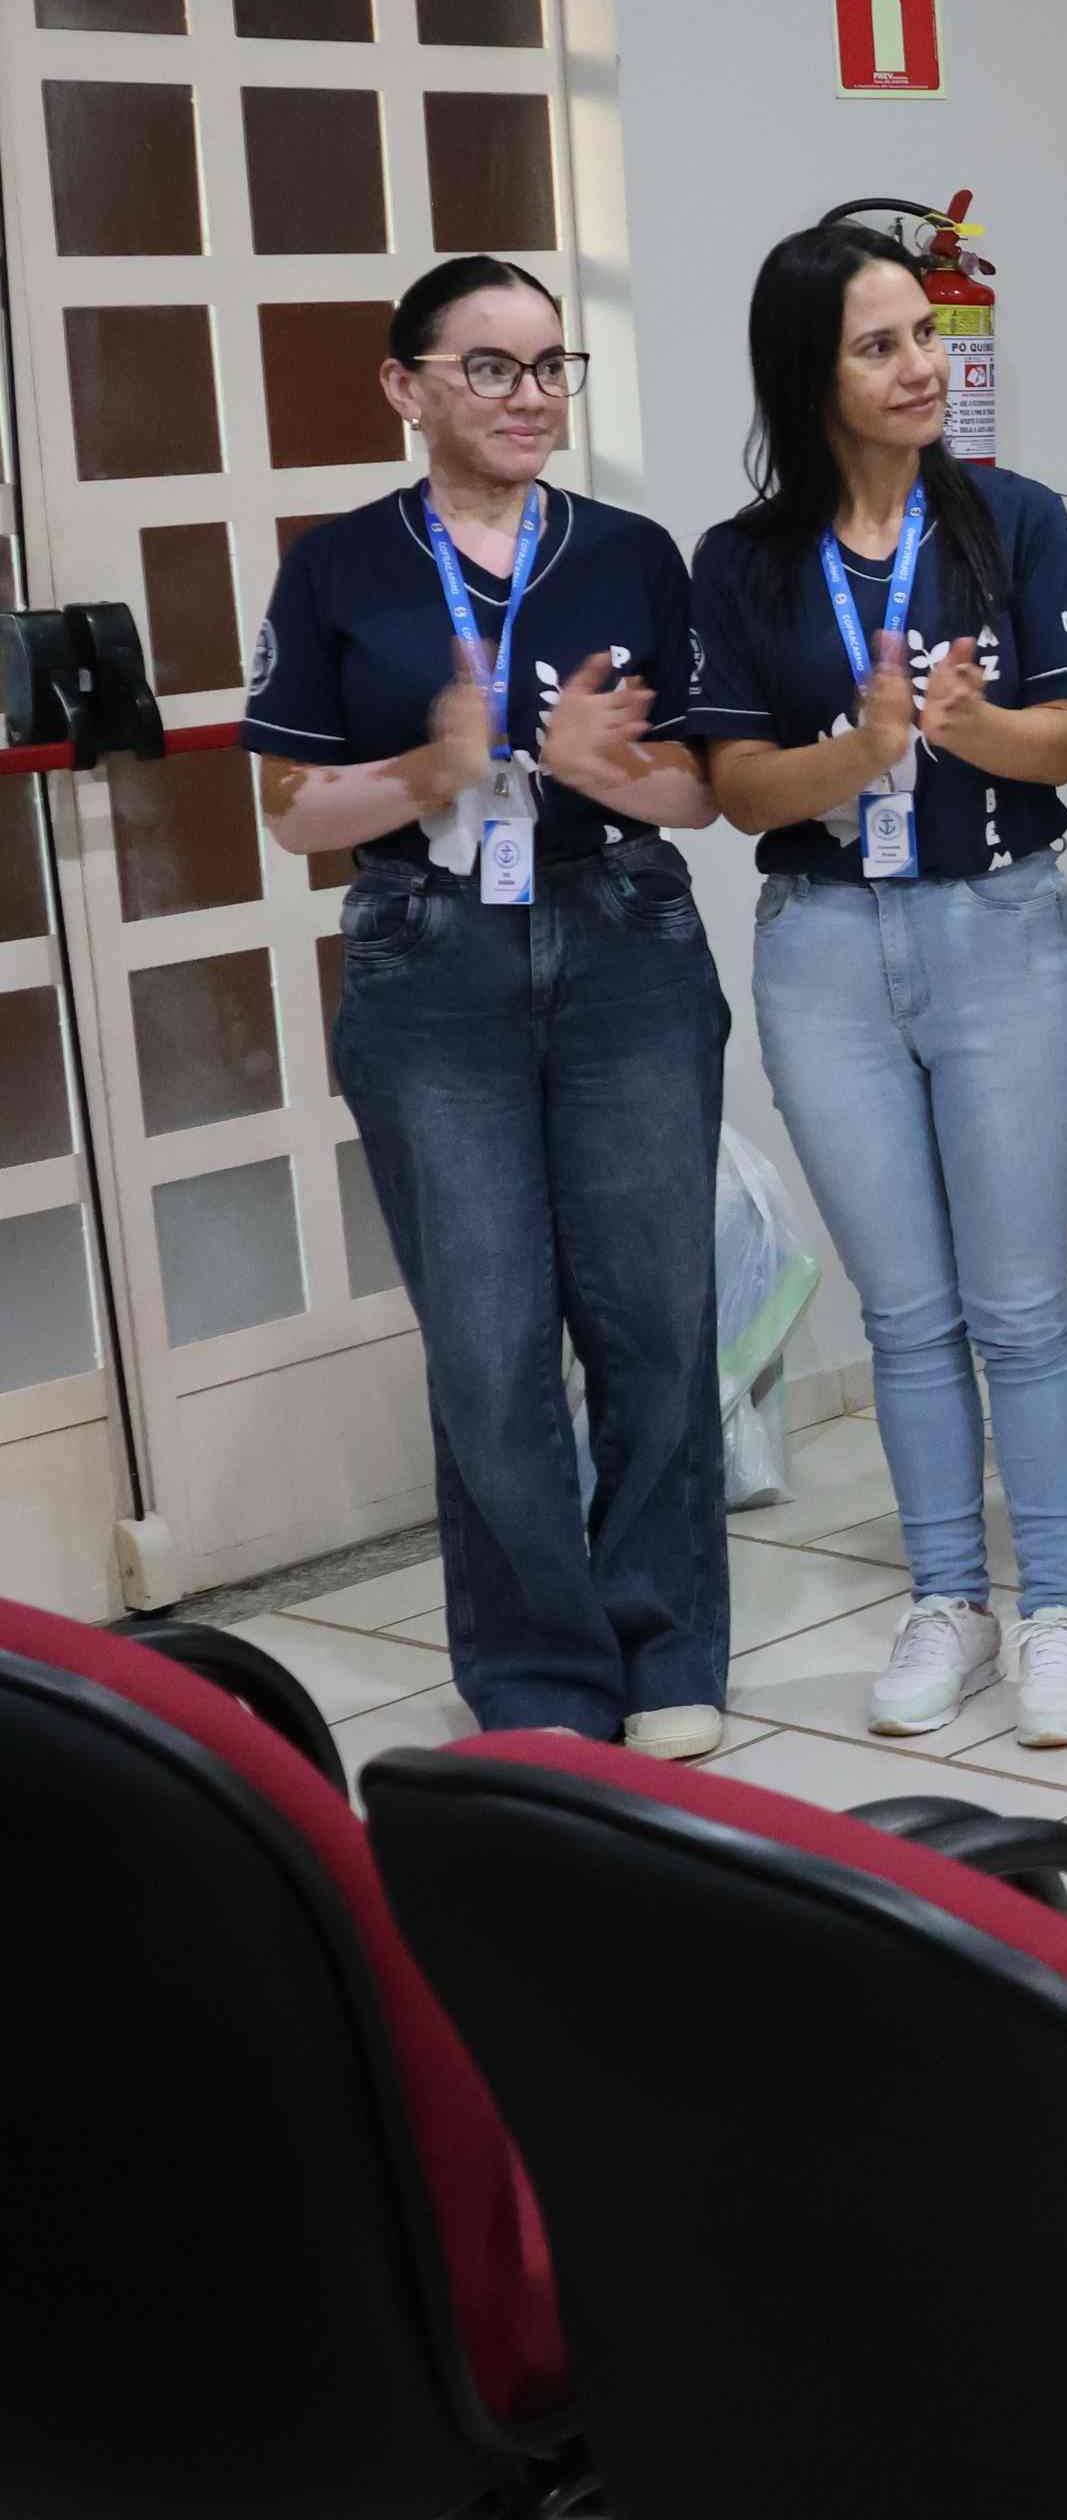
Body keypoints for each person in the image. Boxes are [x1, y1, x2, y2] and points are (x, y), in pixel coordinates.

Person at [249, 257, 728, 1749]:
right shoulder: (340, 566)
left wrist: (602, 768)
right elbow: (290, 809)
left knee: (655, 1316)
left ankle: (664, 1651)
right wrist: (431, 770)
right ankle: (540, 1676)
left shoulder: (631, 553)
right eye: (493, 367)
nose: (531, 397)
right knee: (488, 1337)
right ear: (407, 387)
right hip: (428, 946)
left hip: (622, 932)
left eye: (551, 366)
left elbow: (703, 791)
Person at [693, 225, 1067, 1749]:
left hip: (1000, 932)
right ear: (809, 376)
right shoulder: (741, 562)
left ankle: (1055, 1609)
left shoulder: (1014, 520)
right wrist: (863, 752)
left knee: (1020, 1306)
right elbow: (739, 789)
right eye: (879, 346)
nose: (921, 368)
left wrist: (967, 728)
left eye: (925, 335)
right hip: (824, 951)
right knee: (908, 1313)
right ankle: (948, 1599)